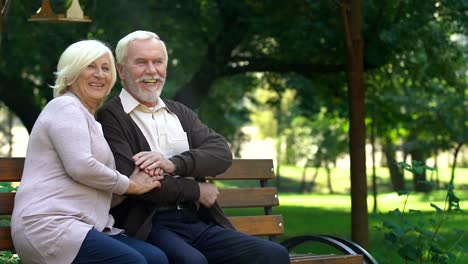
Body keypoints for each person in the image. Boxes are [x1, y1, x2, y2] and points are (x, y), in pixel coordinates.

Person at [96, 30, 290, 264]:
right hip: (150, 225)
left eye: (158, 62)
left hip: (196, 220)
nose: (151, 70)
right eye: (141, 62)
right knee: (192, 261)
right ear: (121, 70)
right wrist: (197, 190)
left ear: (166, 68)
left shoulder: (178, 112)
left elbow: (221, 153)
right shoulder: (111, 117)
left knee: (273, 254)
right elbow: (135, 182)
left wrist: (173, 163)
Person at [11, 40, 169, 264]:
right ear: (71, 74)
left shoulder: (91, 120)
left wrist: (137, 183)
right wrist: (130, 185)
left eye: (106, 68)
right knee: (133, 262)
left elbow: (97, 194)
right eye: (90, 66)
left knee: (156, 258)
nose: (100, 74)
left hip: (83, 226)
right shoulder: (65, 107)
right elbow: (81, 167)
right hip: (49, 226)